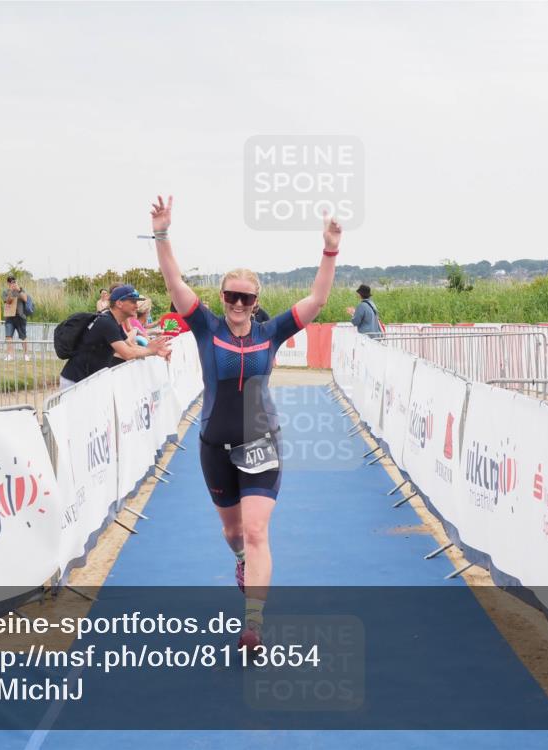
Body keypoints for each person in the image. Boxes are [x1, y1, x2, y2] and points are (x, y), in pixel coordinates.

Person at [150, 195, 340, 652]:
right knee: (233, 533)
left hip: (260, 443)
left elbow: (317, 299)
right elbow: (173, 281)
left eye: (246, 297)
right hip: (213, 445)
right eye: (231, 295)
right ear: (222, 298)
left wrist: (330, 249)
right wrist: (162, 233)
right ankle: (239, 560)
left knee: (256, 531)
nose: (238, 302)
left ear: (256, 302)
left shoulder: (270, 333)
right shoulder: (204, 327)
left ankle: (253, 626)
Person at [58, 284, 169, 389]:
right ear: (119, 303)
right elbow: (127, 354)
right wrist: (151, 350)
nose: (136, 306)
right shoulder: (107, 322)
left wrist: (155, 350)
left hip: (86, 380)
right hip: (75, 382)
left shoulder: (114, 321)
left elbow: (131, 346)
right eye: (133, 302)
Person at [2, 275, 30, 361]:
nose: (12, 283)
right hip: (9, 317)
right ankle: (10, 355)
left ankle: (26, 355)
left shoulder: (21, 290)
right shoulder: (5, 292)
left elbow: (25, 299)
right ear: (8, 283)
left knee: (23, 336)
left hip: (20, 316)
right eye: (10, 282)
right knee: (8, 336)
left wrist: (18, 290)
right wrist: (11, 291)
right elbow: (8, 301)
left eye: (13, 281)